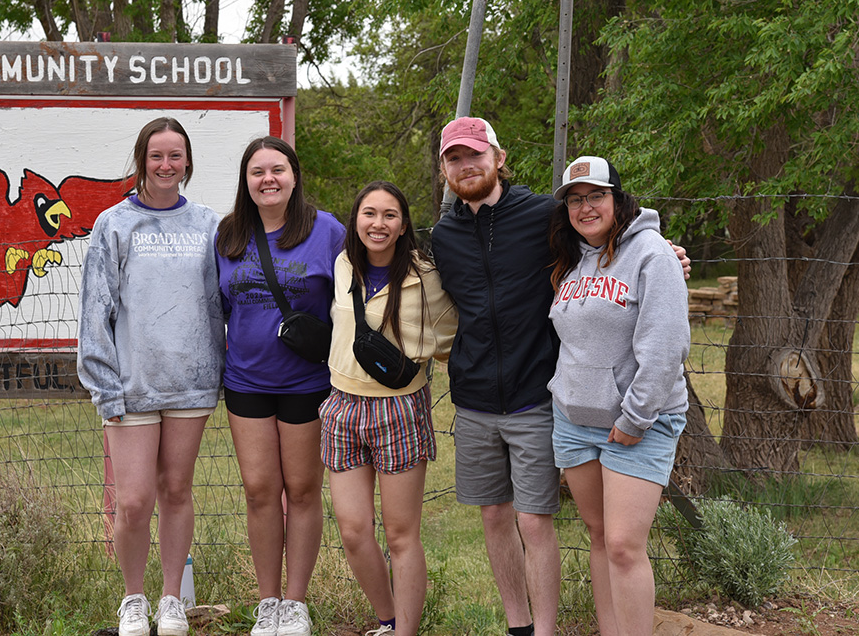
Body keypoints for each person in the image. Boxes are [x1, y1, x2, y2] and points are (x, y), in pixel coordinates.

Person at [430, 117, 690, 636]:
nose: (585, 208)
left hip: (550, 402)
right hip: (514, 404)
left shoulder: (543, 217)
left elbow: (655, 319)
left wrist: (671, 256)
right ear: (444, 169)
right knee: (558, 529)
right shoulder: (448, 236)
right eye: (454, 158)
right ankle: (528, 629)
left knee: (598, 538)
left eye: (475, 155)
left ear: (498, 158)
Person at [77, 117, 225, 636]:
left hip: (191, 381)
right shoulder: (113, 224)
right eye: (156, 155)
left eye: (176, 156)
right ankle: (133, 599)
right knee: (134, 499)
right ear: (141, 160)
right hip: (131, 385)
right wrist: (103, 383)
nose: (166, 165)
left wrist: (219, 372)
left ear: (188, 162)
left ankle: (170, 602)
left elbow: (217, 304)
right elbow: (97, 310)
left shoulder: (208, 224)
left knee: (177, 490)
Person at [547, 156, 689, 636]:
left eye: (596, 196)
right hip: (574, 420)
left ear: (618, 198)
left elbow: (667, 347)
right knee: (601, 537)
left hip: (636, 425)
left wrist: (634, 418)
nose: (585, 207)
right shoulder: (570, 260)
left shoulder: (653, 253)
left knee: (626, 545)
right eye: (575, 199)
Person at [216, 135, 345, 636]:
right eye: (257, 172)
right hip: (246, 380)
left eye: (277, 170)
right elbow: (220, 307)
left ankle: (295, 603)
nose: (267, 179)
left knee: (304, 490)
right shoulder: (228, 235)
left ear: (294, 176)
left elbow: (350, 302)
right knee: (259, 491)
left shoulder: (327, 231)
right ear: (246, 182)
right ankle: (267, 601)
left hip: (307, 383)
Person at [319, 182, 458, 636]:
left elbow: (454, 334)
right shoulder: (343, 266)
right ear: (355, 218)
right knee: (354, 530)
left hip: (398, 409)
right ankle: (388, 618)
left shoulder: (425, 275)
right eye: (369, 214)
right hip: (342, 407)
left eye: (390, 216)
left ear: (403, 225)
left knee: (401, 535)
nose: (378, 224)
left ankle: (406, 632)